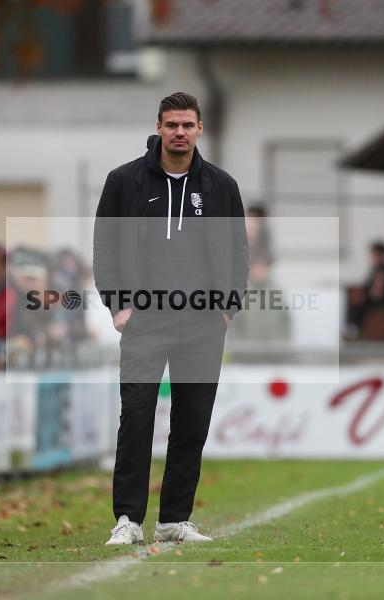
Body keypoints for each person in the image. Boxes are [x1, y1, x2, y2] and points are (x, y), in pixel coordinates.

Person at [93, 92, 248, 545]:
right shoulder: (124, 182)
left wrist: (227, 308)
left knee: (192, 422)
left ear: (200, 129)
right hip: (144, 320)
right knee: (137, 416)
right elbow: (104, 246)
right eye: (171, 124)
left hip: (203, 322)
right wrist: (118, 305)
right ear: (158, 127)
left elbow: (238, 250)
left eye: (187, 125)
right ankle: (127, 520)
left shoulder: (221, 186)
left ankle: (174, 520)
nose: (179, 132)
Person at [346, 241, 384, 337]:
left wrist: (365, 296)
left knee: (359, 304)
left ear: (382, 255)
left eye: (374, 255)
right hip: (377, 299)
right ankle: (352, 328)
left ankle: (354, 329)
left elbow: (379, 292)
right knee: (355, 300)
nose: (372, 257)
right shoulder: (375, 269)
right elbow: (367, 286)